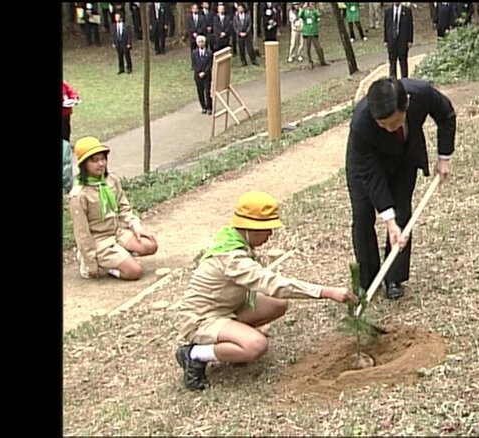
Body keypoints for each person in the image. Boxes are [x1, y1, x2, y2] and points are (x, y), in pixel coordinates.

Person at [174, 191, 358, 391]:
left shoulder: (233, 239)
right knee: (256, 345)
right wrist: (325, 291)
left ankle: (233, 340)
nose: (270, 235)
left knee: (276, 304)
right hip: (202, 319)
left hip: (227, 308)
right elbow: (272, 284)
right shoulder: (232, 258)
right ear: (250, 228)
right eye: (266, 229)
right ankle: (194, 355)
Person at [345, 78, 455, 300]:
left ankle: (394, 277)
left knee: (402, 211)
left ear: (406, 103)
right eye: (383, 125)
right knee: (363, 215)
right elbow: (371, 175)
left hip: (404, 158)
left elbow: (446, 115)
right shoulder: (361, 123)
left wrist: (444, 157)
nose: (388, 128)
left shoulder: (421, 93)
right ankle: (367, 280)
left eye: (394, 123)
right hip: (365, 166)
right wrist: (388, 219)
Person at [69, 137, 159, 281]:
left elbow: (124, 207)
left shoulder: (110, 180)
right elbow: (82, 233)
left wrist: (135, 226)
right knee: (134, 272)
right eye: (94, 160)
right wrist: (90, 261)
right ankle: (104, 263)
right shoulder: (79, 194)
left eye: (103, 159)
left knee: (150, 245)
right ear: (83, 164)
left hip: (116, 232)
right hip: (99, 240)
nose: (101, 163)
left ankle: (121, 256)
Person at [384, 2, 413, 79]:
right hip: (391, 41)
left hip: (402, 41)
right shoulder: (388, 11)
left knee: (403, 61)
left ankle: (405, 80)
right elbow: (386, 26)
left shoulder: (407, 11)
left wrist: (410, 40)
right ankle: (393, 81)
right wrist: (386, 40)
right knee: (392, 62)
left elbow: (410, 26)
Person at [299, 2, 328, 68]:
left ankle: (322, 61)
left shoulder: (314, 12)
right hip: (307, 32)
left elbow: (318, 14)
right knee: (307, 49)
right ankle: (310, 62)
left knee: (319, 48)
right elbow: (300, 15)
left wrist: (313, 9)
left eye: (311, 4)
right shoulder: (304, 12)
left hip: (314, 32)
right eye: (309, 5)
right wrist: (304, 8)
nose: (309, 6)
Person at [192, 35, 213, 114]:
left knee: (207, 91)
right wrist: (199, 72)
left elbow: (209, 64)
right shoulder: (194, 53)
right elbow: (194, 65)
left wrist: (204, 72)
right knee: (200, 92)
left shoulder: (209, 53)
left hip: (207, 76)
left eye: (202, 42)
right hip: (198, 76)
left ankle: (209, 107)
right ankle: (203, 107)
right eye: (199, 42)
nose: (201, 44)